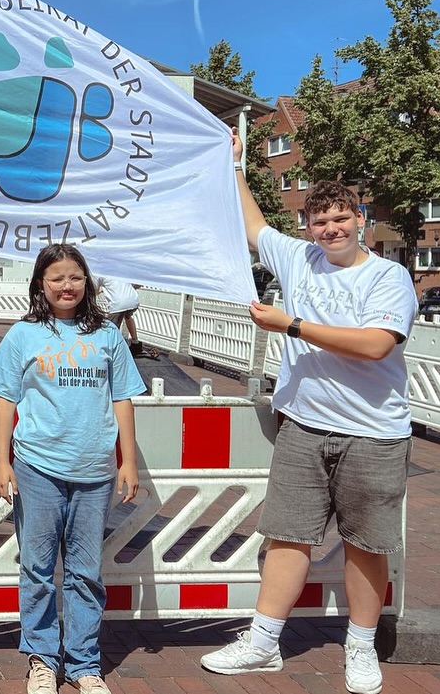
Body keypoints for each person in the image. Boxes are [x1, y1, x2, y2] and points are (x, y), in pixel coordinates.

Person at [200, 132, 416, 694]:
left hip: (372, 431)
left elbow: (376, 345)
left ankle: (360, 646)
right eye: (320, 221)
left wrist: (291, 325)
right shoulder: (299, 258)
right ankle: (263, 642)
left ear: (360, 219)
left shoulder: (388, 276)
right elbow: (252, 227)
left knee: (366, 544)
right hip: (303, 425)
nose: (331, 229)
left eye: (341, 218)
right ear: (308, 227)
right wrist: (235, 164)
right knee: (286, 536)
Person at [0, 244, 143, 694]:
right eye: (56, 278)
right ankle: (41, 659)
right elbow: (4, 400)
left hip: (94, 471)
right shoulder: (23, 334)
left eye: (75, 277)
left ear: (87, 282)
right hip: (38, 468)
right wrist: (1, 461)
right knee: (37, 569)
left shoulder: (107, 335)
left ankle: (83, 662)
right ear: (41, 284)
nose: (67, 286)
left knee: (85, 571)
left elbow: (123, 399)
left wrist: (128, 461)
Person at [94, 275, 141, 355]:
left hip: (118, 304)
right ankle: (135, 343)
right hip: (133, 300)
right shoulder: (121, 270)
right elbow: (138, 285)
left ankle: (113, 349)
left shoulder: (100, 273)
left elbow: (94, 289)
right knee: (128, 317)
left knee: (111, 327)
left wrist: (101, 291)